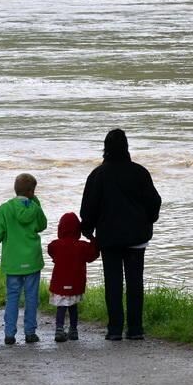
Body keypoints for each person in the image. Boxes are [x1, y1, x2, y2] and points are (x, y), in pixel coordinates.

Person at [80, 129, 161, 341]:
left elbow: (88, 208)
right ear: (126, 147)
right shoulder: (140, 173)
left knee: (113, 283)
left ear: (105, 148)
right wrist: (148, 220)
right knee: (135, 282)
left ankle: (114, 329)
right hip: (136, 237)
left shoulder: (98, 175)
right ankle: (135, 329)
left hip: (109, 238)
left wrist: (87, 229)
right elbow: (154, 202)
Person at [0, 173, 48, 345]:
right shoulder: (34, 207)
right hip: (32, 260)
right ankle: (30, 332)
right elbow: (43, 225)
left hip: (13, 261)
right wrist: (36, 203)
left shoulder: (5, 209)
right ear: (31, 191)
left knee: (12, 296)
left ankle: (9, 333)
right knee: (31, 297)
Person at [47, 212, 99, 342]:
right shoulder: (82, 246)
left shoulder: (56, 245)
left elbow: (50, 250)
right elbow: (93, 254)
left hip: (60, 283)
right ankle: (73, 330)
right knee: (73, 306)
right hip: (76, 283)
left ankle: (59, 329)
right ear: (78, 229)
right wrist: (93, 238)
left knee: (61, 306)